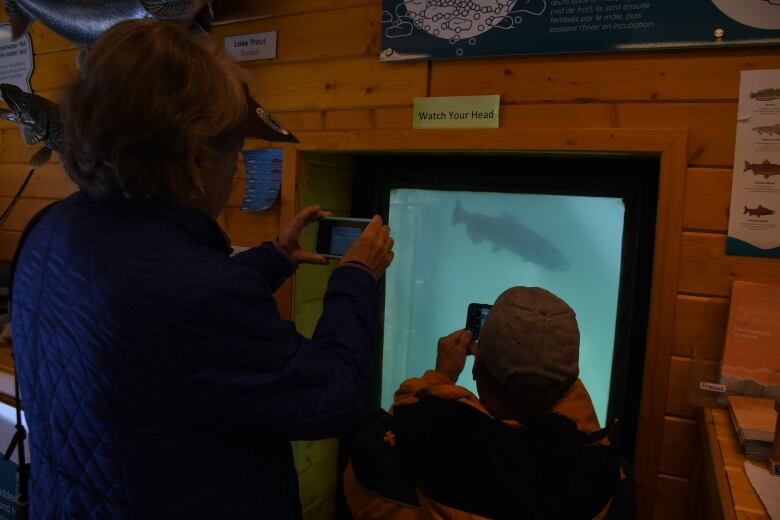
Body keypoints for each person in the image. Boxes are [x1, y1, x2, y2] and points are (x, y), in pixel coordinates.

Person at [10, 20, 394, 519]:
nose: (236, 172)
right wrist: (356, 277)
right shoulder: (193, 292)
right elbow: (334, 394)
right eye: (235, 155)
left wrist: (271, 259)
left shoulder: (50, 227)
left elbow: (147, 323)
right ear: (194, 160)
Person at [344, 286, 635, 519]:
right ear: (570, 383)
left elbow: (362, 475)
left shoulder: (420, 446)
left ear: (476, 369)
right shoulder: (607, 480)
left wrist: (439, 378)